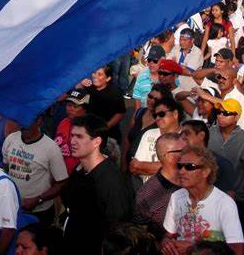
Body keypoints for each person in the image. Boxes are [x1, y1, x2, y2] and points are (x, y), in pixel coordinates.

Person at [62, 115, 132, 253]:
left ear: (97, 142)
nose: (72, 141)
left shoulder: (110, 180)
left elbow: (118, 228)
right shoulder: (79, 170)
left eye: (79, 137)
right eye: (72, 136)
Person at [161, 146, 244, 255]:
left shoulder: (224, 203)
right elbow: (169, 234)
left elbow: (237, 249)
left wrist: (193, 248)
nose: (181, 171)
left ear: (206, 172)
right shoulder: (176, 197)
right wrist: (166, 242)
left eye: (189, 167)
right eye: (179, 166)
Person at [3, 114, 68, 226]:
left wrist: (38, 200)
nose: (24, 126)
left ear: (39, 121)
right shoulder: (11, 139)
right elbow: (6, 169)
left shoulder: (51, 148)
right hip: (12, 207)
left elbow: (61, 182)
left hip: (39, 212)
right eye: (22, 122)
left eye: (28, 122)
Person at [208, 99, 244, 215]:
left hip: (234, 199)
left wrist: (238, 195)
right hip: (208, 196)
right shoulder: (209, 133)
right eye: (219, 112)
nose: (220, 116)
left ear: (237, 116)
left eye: (226, 113)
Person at [133, 133, 185, 237]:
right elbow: (141, 234)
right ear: (169, 156)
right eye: (183, 151)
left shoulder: (193, 179)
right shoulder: (146, 195)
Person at [130, 96, 183, 182]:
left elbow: (178, 169)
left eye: (161, 114)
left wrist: (143, 167)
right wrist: (165, 168)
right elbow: (134, 167)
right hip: (146, 189)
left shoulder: (185, 137)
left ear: (175, 114)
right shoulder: (148, 134)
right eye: (155, 115)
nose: (158, 118)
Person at [122, 83, 172, 170]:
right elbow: (127, 138)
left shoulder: (163, 122)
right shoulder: (139, 112)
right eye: (150, 96)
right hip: (129, 166)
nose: (151, 100)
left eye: (156, 99)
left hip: (146, 170)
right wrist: (123, 162)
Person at [180, 120, 235, 195]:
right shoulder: (179, 162)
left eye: (187, 133)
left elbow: (228, 198)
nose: (182, 137)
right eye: (181, 134)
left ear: (201, 136)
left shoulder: (222, 164)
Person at [77, 65, 126, 143]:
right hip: (89, 131)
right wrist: (81, 84)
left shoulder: (115, 93)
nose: (95, 76)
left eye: (99, 74)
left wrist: (106, 126)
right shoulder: (89, 87)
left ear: (108, 78)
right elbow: (75, 93)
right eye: (94, 73)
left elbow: (121, 113)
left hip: (108, 135)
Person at [54, 88, 90, 174]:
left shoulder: (89, 129)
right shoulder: (63, 122)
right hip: (58, 172)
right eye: (69, 105)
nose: (70, 109)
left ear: (85, 108)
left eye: (75, 106)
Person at [215, 66, 244, 131]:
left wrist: (205, 95)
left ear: (234, 81)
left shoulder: (241, 100)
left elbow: (243, 129)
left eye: (224, 78)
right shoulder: (216, 90)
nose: (220, 80)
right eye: (219, 77)